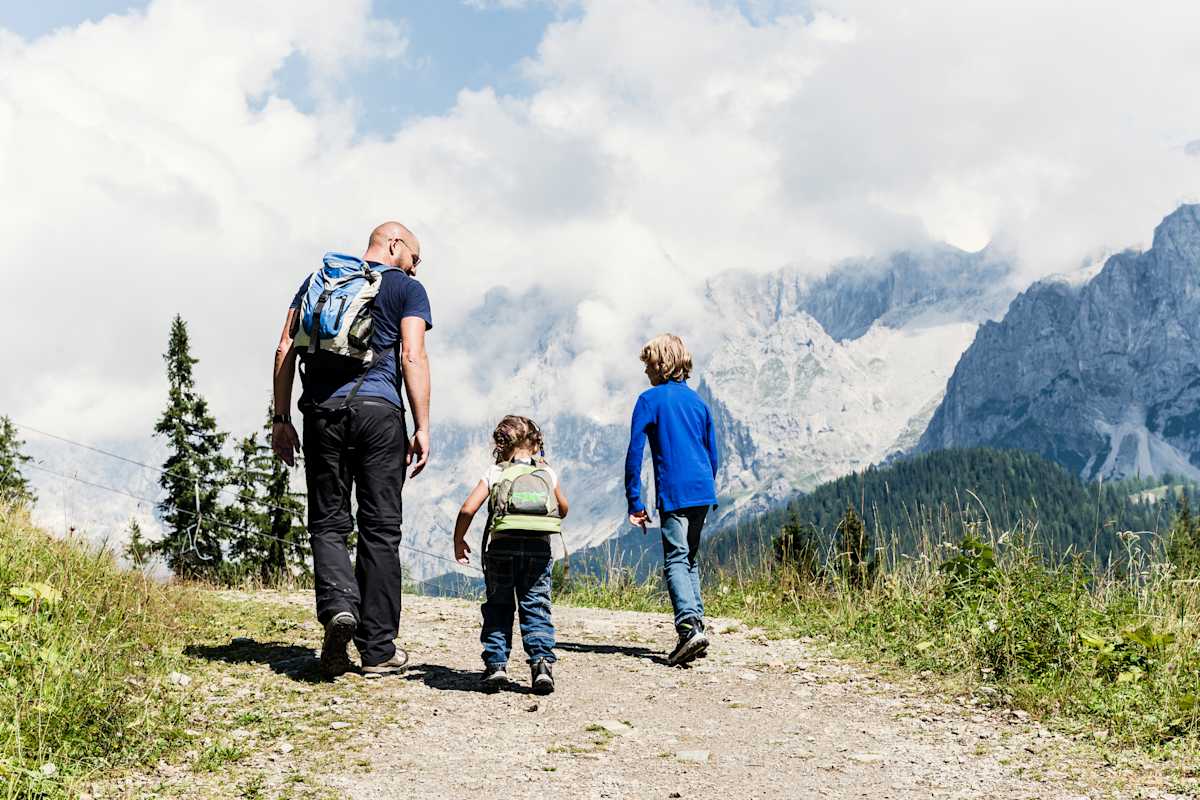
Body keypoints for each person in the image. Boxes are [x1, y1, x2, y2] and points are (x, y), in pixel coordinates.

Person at [271, 222, 432, 678]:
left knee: (327, 521)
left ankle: (339, 608)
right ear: (395, 245)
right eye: (415, 258)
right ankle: (378, 649)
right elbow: (413, 356)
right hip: (380, 414)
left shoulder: (317, 283)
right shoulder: (405, 290)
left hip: (322, 413)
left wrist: (281, 419)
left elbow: (285, 348)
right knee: (380, 527)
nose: (416, 268)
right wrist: (421, 426)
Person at [453, 415, 567, 694]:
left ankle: (497, 666)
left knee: (499, 607)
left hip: (501, 548)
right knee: (536, 606)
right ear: (535, 442)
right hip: (539, 549)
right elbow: (563, 509)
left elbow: (468, 508)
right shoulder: (546, 473)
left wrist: (459, 539)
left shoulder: (495, 472)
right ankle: (541, 665)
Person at [624, 334, 719, 666]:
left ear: (661, 364)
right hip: (703, 489)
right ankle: (698, 627)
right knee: (690, 557)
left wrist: (634, 500)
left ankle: (688, 627)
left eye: (649, 365)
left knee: (675, 559)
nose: (647, 372)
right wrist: (707, 487)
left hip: (675, 489)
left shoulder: (649, 400)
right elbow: (713, 454)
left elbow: (635, 452)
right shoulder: (699, 403)